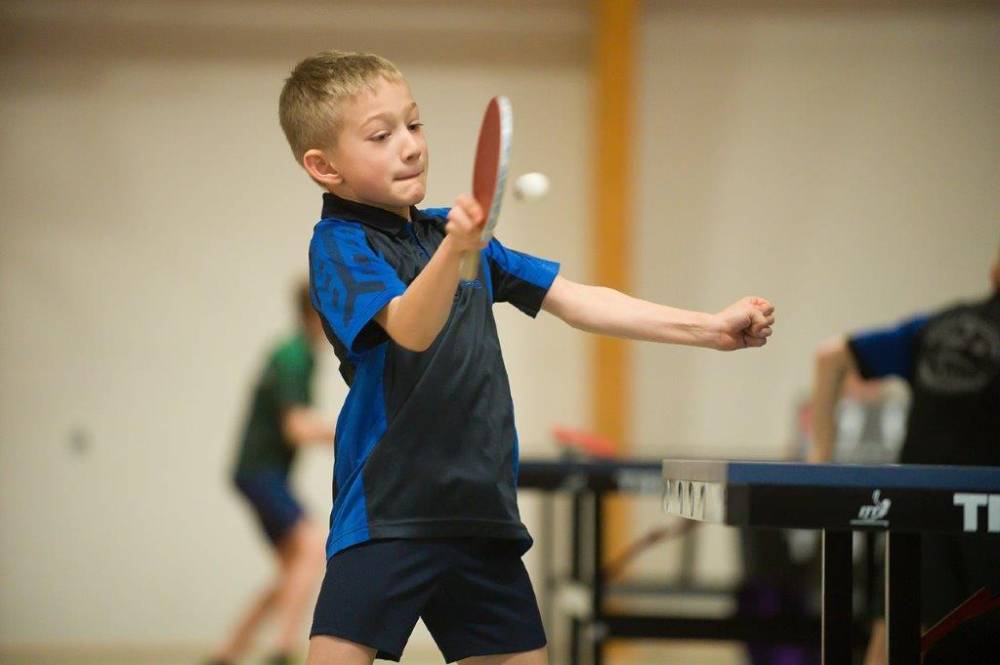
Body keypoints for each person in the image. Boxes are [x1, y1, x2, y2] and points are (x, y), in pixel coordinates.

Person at [278, 50, 776, 665]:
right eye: (381, 136)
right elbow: (410, 326)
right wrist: (457, 249)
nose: (410, 146)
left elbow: (577, 300)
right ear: (324, 167)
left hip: (480, 512)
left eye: (415, 124)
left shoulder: (453, 237)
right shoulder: (340, 245)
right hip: (389, 513)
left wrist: (709, 328)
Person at [809, 247, 1000, 664]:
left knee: (892, 638)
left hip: (916, 514)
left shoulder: (936, 327)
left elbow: (830, 355)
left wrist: (820, 460)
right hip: (988, 519)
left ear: (993, 272)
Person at [206, 281, 335, 665]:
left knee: (293, 569)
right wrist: (352, 431)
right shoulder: (294, 355)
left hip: (259, 473)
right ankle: (282, 649)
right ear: (315, 313)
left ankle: (225, 653)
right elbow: (297, 427)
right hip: (260, 472)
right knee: (312, 547)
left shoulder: (299, 354)